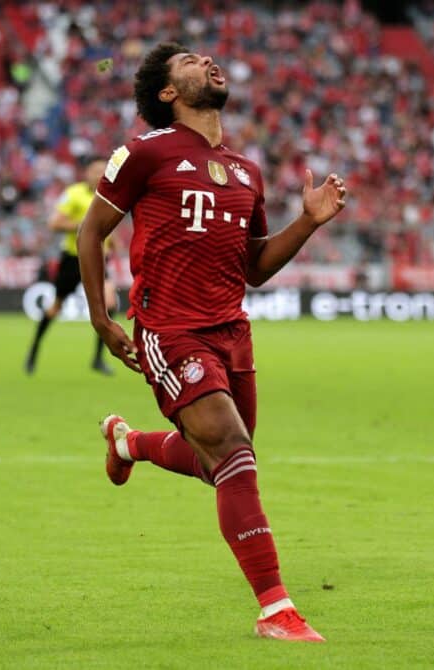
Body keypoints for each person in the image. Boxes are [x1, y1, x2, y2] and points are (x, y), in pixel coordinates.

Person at [77, 43, 348, 642]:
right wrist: (101, 319)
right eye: (190, 62)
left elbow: (256, 267)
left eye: (206, 58)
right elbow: (90, 232)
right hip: (170, 330)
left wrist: (307, 222)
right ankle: (276, 609)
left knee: (217, 465)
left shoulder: (247, 170)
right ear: (168, 92)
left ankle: (129, 443)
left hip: (233, 333)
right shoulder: (144, 152)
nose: (207, 62)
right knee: (232, 450)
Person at [25, 158, 118, 376]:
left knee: (110, 302)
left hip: (99, 259)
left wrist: (112, 243)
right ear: (86, 173)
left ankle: (98, 359)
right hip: (73, 259)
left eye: (103, 170)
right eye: (95, 170)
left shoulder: (111, 195)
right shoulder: (74, 194)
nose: (99, 174)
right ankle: (34, 350)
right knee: (55, 307)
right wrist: (85, 226)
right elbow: (54, 223)